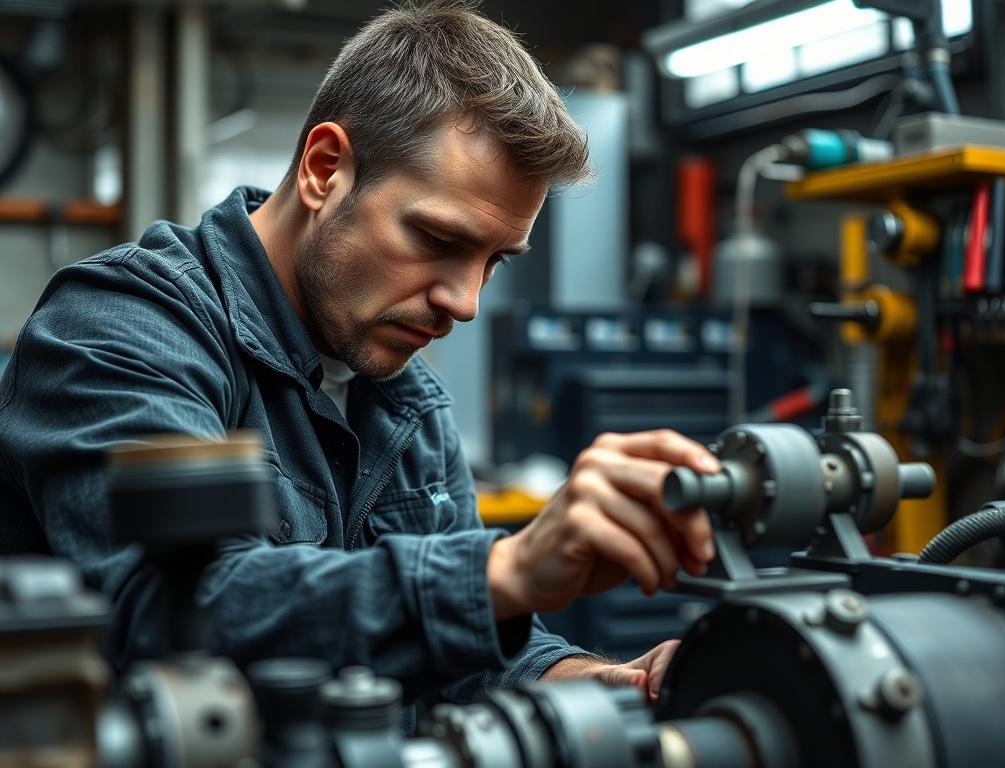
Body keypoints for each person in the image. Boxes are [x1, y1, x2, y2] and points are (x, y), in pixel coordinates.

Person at [0, 0, 718, 731]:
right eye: (438, 238)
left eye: (494, 261)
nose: (464, 303)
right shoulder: (122, 327)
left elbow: (466, 657)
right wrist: (505, 569)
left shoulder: (407, 401)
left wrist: (607, 687)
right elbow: (176, 614)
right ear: (324, 170)